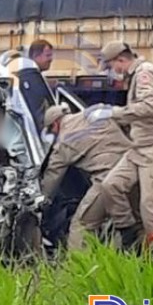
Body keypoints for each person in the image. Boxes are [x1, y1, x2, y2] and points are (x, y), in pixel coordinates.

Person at [95, 41, 153, 251]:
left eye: (111, 67)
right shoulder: (146, 73)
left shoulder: (144, 73)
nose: (112, 73)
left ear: (121, 60)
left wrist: (114, 113)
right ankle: (131, 235)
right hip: (142, 146)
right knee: (111, 185)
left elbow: (147, 107)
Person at [40, 104, 132, 250]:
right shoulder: (94, 112)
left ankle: (78, 268)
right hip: (134, 167)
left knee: (81, 225)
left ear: (55, 124)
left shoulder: (63, 142)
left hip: (108, 178)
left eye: (51, 130)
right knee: (131, 224)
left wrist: (42, 202)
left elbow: (52, 178)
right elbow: (127, 118)